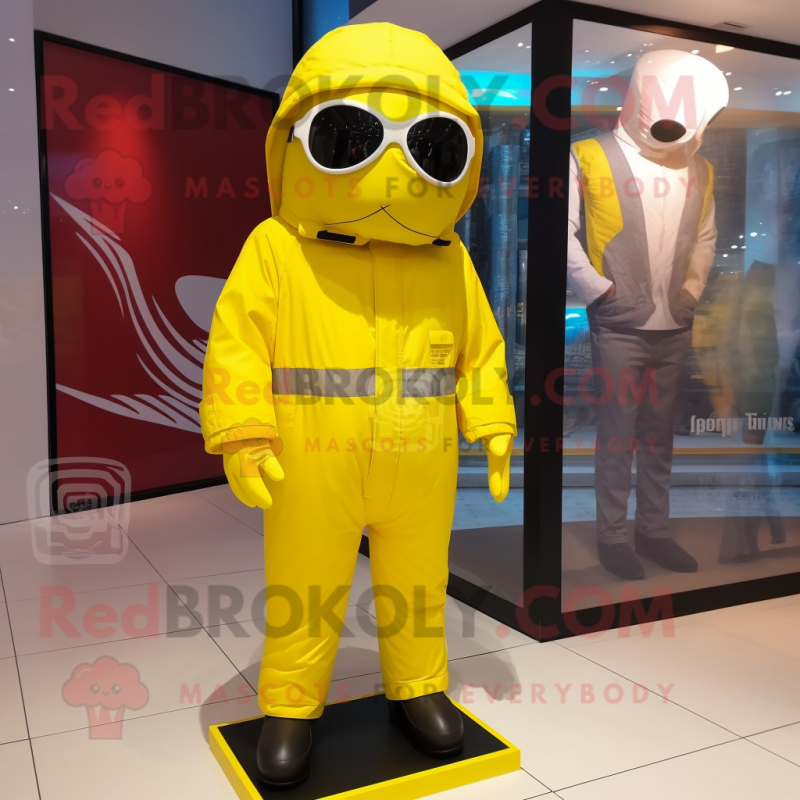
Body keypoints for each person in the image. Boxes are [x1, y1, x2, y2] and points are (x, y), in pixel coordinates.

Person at [199, 23, 516, 787]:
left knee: (418, 582)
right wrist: (244, 432)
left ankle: (418, 686)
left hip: (422, 461)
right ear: (295, 143)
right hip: (313, 461)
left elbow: (480, 348)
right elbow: (237, 343)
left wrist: (493, 420)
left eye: (434, 147)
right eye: (351, 137)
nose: (398, 168)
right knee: (306, 584)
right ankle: (291, 703)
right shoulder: (278, 249)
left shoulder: (450, 261)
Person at [568, 50, 729, 579]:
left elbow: (705, 237)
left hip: (675, 323)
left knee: (660, 437)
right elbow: (561, 233)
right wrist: (599, 291)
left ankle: (653, 531)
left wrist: (691, 291)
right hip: (620, 323)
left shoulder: (701, 168)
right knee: (617, 435)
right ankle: (614, 536)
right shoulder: (588, 155)